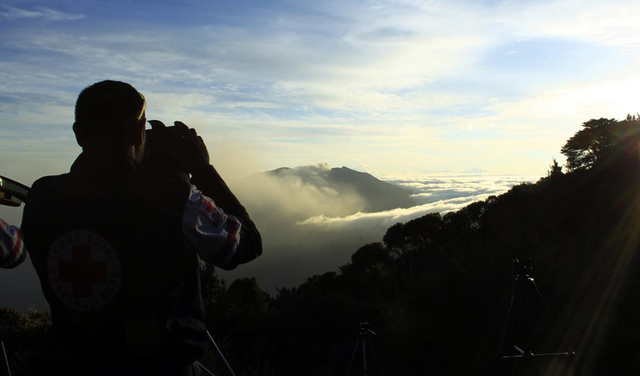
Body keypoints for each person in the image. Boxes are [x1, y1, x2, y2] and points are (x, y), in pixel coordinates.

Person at [21, 80, 262, 376]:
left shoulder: (41, 196)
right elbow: (247, 243)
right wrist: (201, 172)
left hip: (73, 364)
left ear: (78, 134)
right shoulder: (173, 200)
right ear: (138, 131)